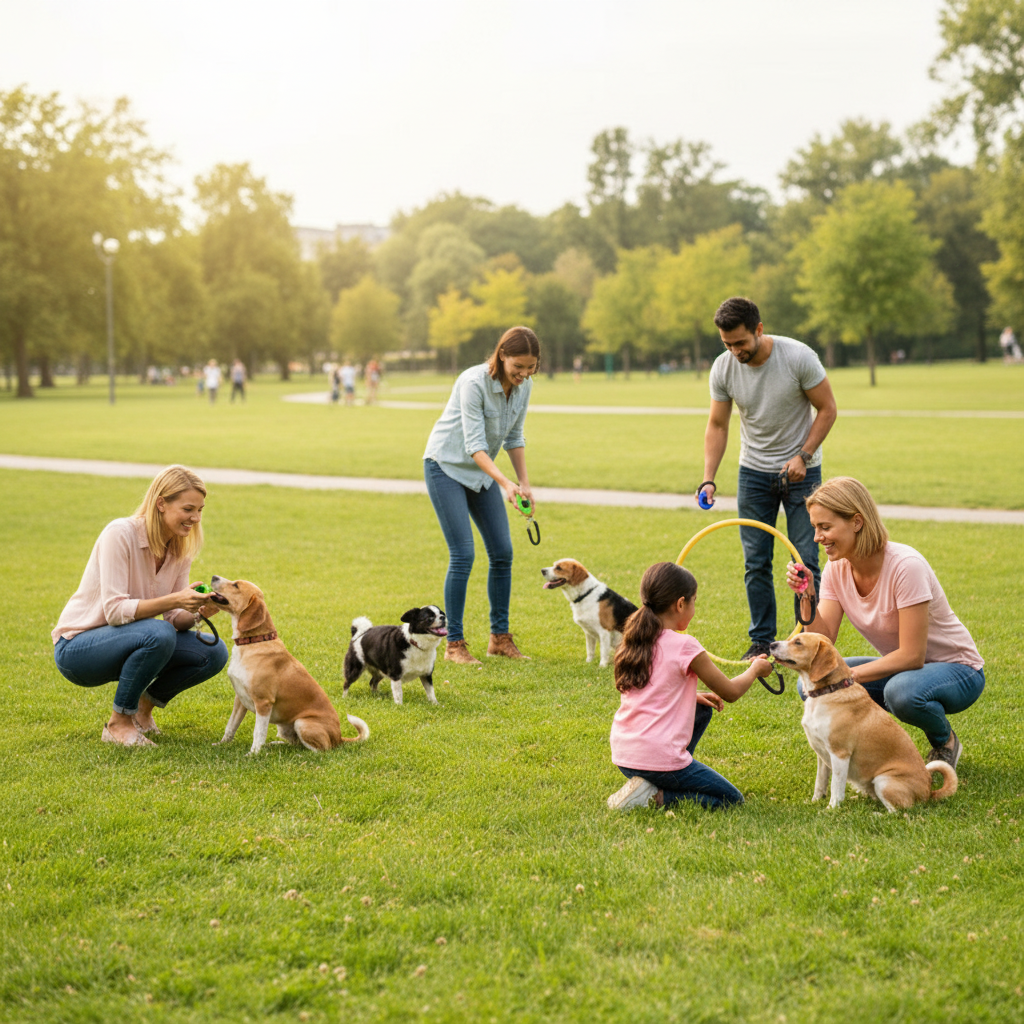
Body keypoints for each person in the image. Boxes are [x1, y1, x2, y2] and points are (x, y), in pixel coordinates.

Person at [785, 476, 984, 769]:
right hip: (904, 669)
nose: (817, 537)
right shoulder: (835, 568)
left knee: (900, 693)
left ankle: (945, 742)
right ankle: (864, 748)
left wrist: (844, 677)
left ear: (856, 521)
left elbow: (912, 656)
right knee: (812, 681)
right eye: (815, 528)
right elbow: (824, 641)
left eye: (825, 527)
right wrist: (807, 597)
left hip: (959, 670)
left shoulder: (906, 566)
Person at [698, 296, 838, 661]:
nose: (734, 351)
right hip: (753, 474)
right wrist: (708, 478)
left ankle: (808, 641)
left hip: (803, 473)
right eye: (727, 344)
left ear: (759, 330)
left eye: (740, 343)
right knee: (755, 561)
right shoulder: (723, 367)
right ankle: (761, 641)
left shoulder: (798, 357)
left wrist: (803, 455)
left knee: (805, 559)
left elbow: (828, 408)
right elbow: (717, 424)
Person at [52, 465, 228, 747]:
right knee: (158, 634)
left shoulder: (179, 548)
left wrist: (195, 611)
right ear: (161, 503)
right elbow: (115, 611)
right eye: (188, 509)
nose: (195, 518)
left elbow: (173, 619)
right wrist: (175, 599)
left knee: (213, 651)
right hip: (78, 649)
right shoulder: (120, 534)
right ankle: (118, 724)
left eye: (200, 510)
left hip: (133, 640)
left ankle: (142, 714)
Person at [606, 562, 774, 811]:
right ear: (680, 604)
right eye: (694, 601)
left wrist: (689, 697)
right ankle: (657, 796)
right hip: (655, 757)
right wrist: (755, 670)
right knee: (731, 800)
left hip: (625, 756)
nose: (694, 608)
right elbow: (730, 692)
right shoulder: (685, 646)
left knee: (702, 708)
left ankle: (654, 781)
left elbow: (651, 691)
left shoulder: (634, 638)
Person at [423, 326, 540, 664]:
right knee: (463, 554)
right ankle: (454, 645)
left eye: (530, 367)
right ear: (502, 355)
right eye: (518, 366)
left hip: (482, 471)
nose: (523, 374)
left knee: (502, 552)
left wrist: (524, 483)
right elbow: (475, 444)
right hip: (445, 466)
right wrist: (505, 483)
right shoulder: (473, 382)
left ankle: (500, 638)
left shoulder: (525, 386)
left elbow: (514, 436)